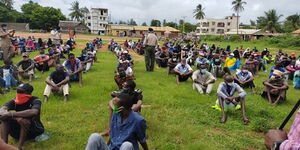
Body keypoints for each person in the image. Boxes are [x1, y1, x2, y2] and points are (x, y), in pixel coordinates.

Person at [0, 83, 44, 150]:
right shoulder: (14, 101)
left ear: (28, 93)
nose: (19, 93)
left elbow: (34, 112)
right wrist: (14, 117)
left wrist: (11, 114)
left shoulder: (36, 100)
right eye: (18, 91)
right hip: (17, 131)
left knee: (23, 120)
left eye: (21, 92)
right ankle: (4, 144)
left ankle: (20, 147)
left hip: (34, 130)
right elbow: (2, 110)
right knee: (4, 118)